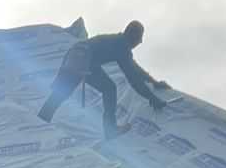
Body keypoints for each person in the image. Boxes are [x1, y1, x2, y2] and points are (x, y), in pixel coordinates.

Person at [37, 21, 167, 137]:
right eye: (139, 39)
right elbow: (133, 77)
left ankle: (41, 120)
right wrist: (152, 98)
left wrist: (154, 82)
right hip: (85, 58)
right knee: (109, 88)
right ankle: (110, 129)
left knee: (61, 93)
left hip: (73, 55)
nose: (139, 42)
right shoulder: (122, 47)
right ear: (132, 35)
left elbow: (134, 68)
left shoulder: (116, 41)